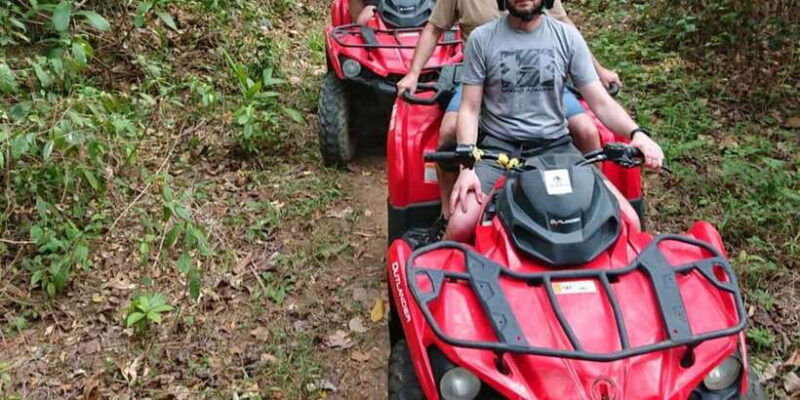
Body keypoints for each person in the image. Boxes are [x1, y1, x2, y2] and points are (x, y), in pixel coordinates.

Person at [445, 0, 664, 242]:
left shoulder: (567, 37)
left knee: (629, 220)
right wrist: (467, 168)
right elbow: (469, 108)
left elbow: (601, 102)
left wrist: (637, 134)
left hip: (556, 147)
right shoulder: (481, 38)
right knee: (461, 225)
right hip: (498, 149)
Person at [393, 0, 621, 222]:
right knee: (450, 130)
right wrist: (414, 73)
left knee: (587, 130)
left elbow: (567, 26)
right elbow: (434, 28)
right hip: (480, 77)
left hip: (542, 75)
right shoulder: (481, 37)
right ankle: (447, 210)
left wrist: (598, 71)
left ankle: (592, 201)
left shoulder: (555, 29)